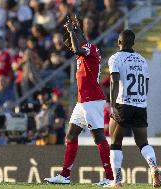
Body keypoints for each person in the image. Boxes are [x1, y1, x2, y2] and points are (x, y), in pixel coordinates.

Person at [44, 16, 114, 186]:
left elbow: (76, 48)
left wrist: (72, 30)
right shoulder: (83, 50)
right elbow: (70, 44)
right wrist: (71, 29)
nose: (74, 38)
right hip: (82, 101)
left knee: (99, 138)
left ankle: (111, 178)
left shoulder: (89, 48)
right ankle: (65, 175)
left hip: (92, 100)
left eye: (77, 34)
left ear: (82, 36)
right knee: (71, 135)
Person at [108, 30, 161, 187]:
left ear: (119, 42)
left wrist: (112, 105)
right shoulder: (142, 60)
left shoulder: (115, 58)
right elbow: (146, 86)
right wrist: (139, 100)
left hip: (123, 103)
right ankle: (153, 166)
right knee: (143, 142)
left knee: (115, 143)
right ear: (133, 43)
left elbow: (115, 80)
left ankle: (117, 181)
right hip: (140, 104)